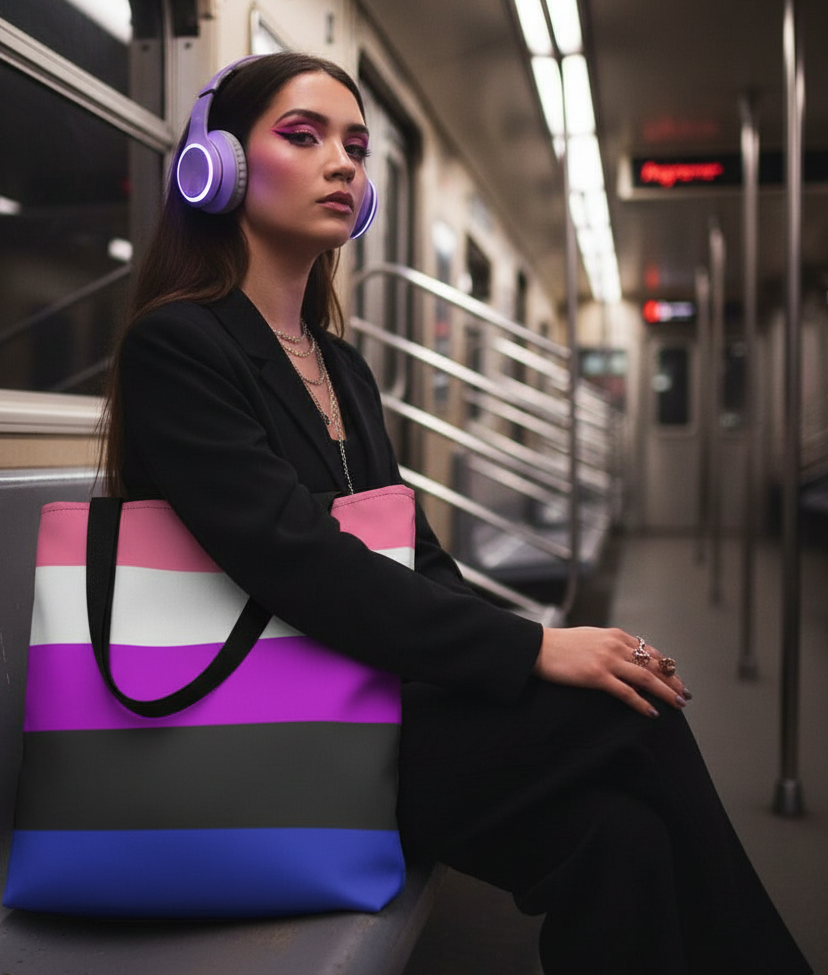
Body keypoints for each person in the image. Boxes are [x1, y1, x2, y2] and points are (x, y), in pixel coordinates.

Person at [100, 52, 810, 975]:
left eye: (356, 146)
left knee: (617, 836)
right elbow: (299, 563)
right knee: (633, 717)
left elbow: (415, 557)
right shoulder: (177, 346)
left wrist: (542, 644)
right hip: (258, 735)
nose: (342, 163)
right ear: (218, 167)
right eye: (302, 136)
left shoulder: (340, 366)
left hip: (360, 705)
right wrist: (537, 650)